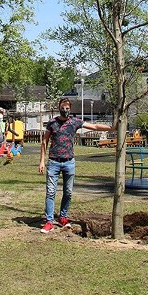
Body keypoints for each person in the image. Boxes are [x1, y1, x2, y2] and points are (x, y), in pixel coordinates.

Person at [39, 97, 114, 233]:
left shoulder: (74, 122)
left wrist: (113, 127)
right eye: (63, 108)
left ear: (70, 109)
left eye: (67, 108)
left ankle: (63, 217)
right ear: (59, 108)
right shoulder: (52, 123)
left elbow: (95, 126)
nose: (65, 110)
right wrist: (42, 161)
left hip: (69, 162)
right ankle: (49, 221)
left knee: (68, 192)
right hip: (54, 162)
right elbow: (44, 141)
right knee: (51, 192)